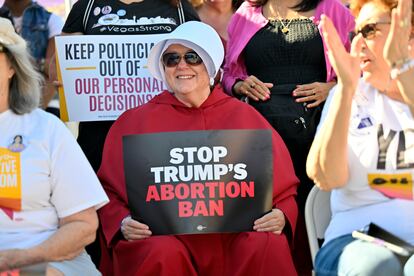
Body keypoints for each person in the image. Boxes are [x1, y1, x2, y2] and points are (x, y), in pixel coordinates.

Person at [98, 21, 299, 275]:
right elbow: (108, 192)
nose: (182, 66)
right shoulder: (133, 122)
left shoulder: (246, 117)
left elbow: (284, 190)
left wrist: (281, 214)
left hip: (233, 239)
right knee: (158, 251)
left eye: (192, 57)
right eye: (171, 59)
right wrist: (122, 222)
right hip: (165, 239)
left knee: (266, 243)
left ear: (211, 65)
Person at [56, 0, 200, 266]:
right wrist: (64, 77)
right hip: (100, 135)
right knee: (105, 215)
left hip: (162, 138)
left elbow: (199, 63)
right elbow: (62, 64)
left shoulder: (179, 7)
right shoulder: (87, 7)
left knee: (159, 222)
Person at [222, 0, 354, 273]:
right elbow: (227, 72)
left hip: (318, 135)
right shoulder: (246, 13)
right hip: (262, 141)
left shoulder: (333, 9)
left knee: (314, 214)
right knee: (268, 220)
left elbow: (360, 67)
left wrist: (332, 88)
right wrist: (239, 85)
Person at [306, 0, 414, 273]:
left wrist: (402, 68)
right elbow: (326, 177)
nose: (357, 44)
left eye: (369, 31)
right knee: (375, 266)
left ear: (408, 31)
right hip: (356, 239)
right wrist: (345, 89)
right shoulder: (349, 95)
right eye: (355, 34)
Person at [0, 18, 109, 275]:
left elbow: (82, 226)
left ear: (11, 66)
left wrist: (17, 260)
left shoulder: (46, 129)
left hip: (48, 261)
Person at [0, 0, 64, 117]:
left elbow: (53, 71)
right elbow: (48, 66)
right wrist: (40, 64)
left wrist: (33, 112)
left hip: (46, 105)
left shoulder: (52, 20)